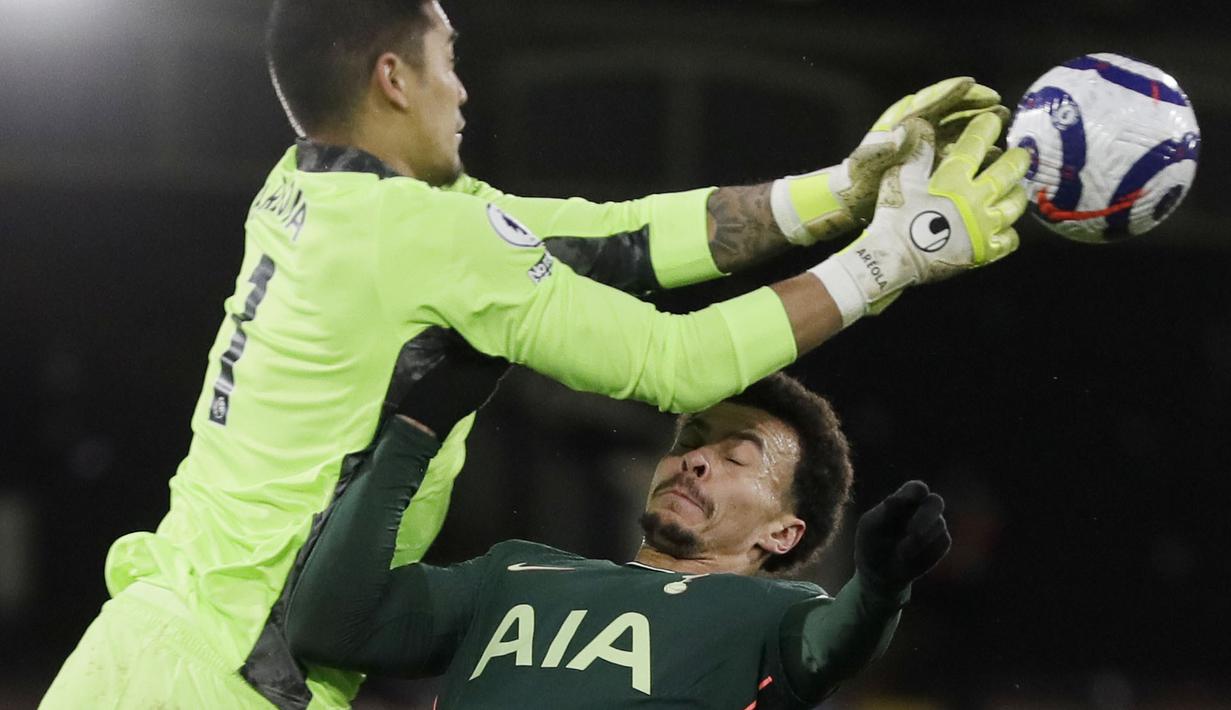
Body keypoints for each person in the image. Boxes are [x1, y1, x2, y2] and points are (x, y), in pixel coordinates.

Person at [40, 0, 1026, 707]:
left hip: (129, 646)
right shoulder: (428, 238)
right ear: (394, 79)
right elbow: (681, 364)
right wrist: (893, 257)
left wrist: (839, 192)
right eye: (447, 59)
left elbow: (613, 238)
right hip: (229, 679)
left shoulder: (303, 188)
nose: (462, 88)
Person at [285, 371, 952, 708]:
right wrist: (414, 431)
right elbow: (331, 625)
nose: (695, 460)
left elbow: (835, 643)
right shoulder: (511, 573)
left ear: (783, 533)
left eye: (735, 457)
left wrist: (881, 586)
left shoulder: (771, 616)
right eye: (691, 442)